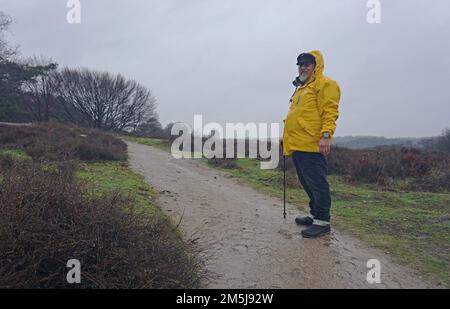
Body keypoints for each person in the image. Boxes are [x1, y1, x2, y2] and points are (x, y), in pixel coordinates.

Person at [282, 50, 341, 238]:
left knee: (317, 182)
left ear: (316, 66)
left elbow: (330, 112)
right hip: (298, 144)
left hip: (312, 144)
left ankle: (323, 221)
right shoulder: (301, 88)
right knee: (306, 182)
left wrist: (326, 135)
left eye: (307, 63)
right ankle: (315, 215)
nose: (303, 67)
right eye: (300, 64)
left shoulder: (326, 84)